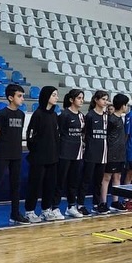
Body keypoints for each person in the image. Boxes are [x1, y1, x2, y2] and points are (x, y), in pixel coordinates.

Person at [0, 83, 27, 229]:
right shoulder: (2, 114)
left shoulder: (21, 114)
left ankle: (15, 213)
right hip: (3, 154)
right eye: (19, 96)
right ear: (10, 97)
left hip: (16, 154)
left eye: (23, 96)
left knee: (16, 184)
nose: (22, 99)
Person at [24, 86, 62, 222]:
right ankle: (29, 211)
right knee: (34, 185)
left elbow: (56, 136)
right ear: (46, 96)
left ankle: (46, 209)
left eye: (56, 95)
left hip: (52, 158)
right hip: (38, 158)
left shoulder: (54, 115)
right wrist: (36, 151)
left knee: (50, 185)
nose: (56, 97)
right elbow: (30, 136)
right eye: (53, 95)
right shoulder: (38, 114)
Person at [57, 89, 86, 218]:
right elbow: (59, 133)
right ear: (71, 100)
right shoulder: (64, 115)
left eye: (82, 98)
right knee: (60, 181)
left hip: (77, 153)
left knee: (73, 182)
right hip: (64, 153)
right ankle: (55, 207)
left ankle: (71, 206)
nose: (81, 100)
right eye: (79, 98)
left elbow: (83, 133)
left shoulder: (82, 116)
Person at [80, 90, 109, 215]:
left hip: (103, 153)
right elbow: (84, 133)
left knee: (98, 181)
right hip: (91, 152)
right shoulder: (90, 115)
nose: (105, 102)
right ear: (96, 100)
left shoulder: (107, 116)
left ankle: (97, 204)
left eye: (106, 99)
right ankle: (80, 204)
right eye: (103, 99)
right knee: (86, 180)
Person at [101, 93, 129, 212]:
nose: (127, 107)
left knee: (117, 176)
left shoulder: (120, 119)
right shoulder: (111, 119)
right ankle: (103, 202)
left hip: (120, 153)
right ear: (123, 106)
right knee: (107, 177)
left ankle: (115, 202)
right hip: (111, 153)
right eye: (126, 105)